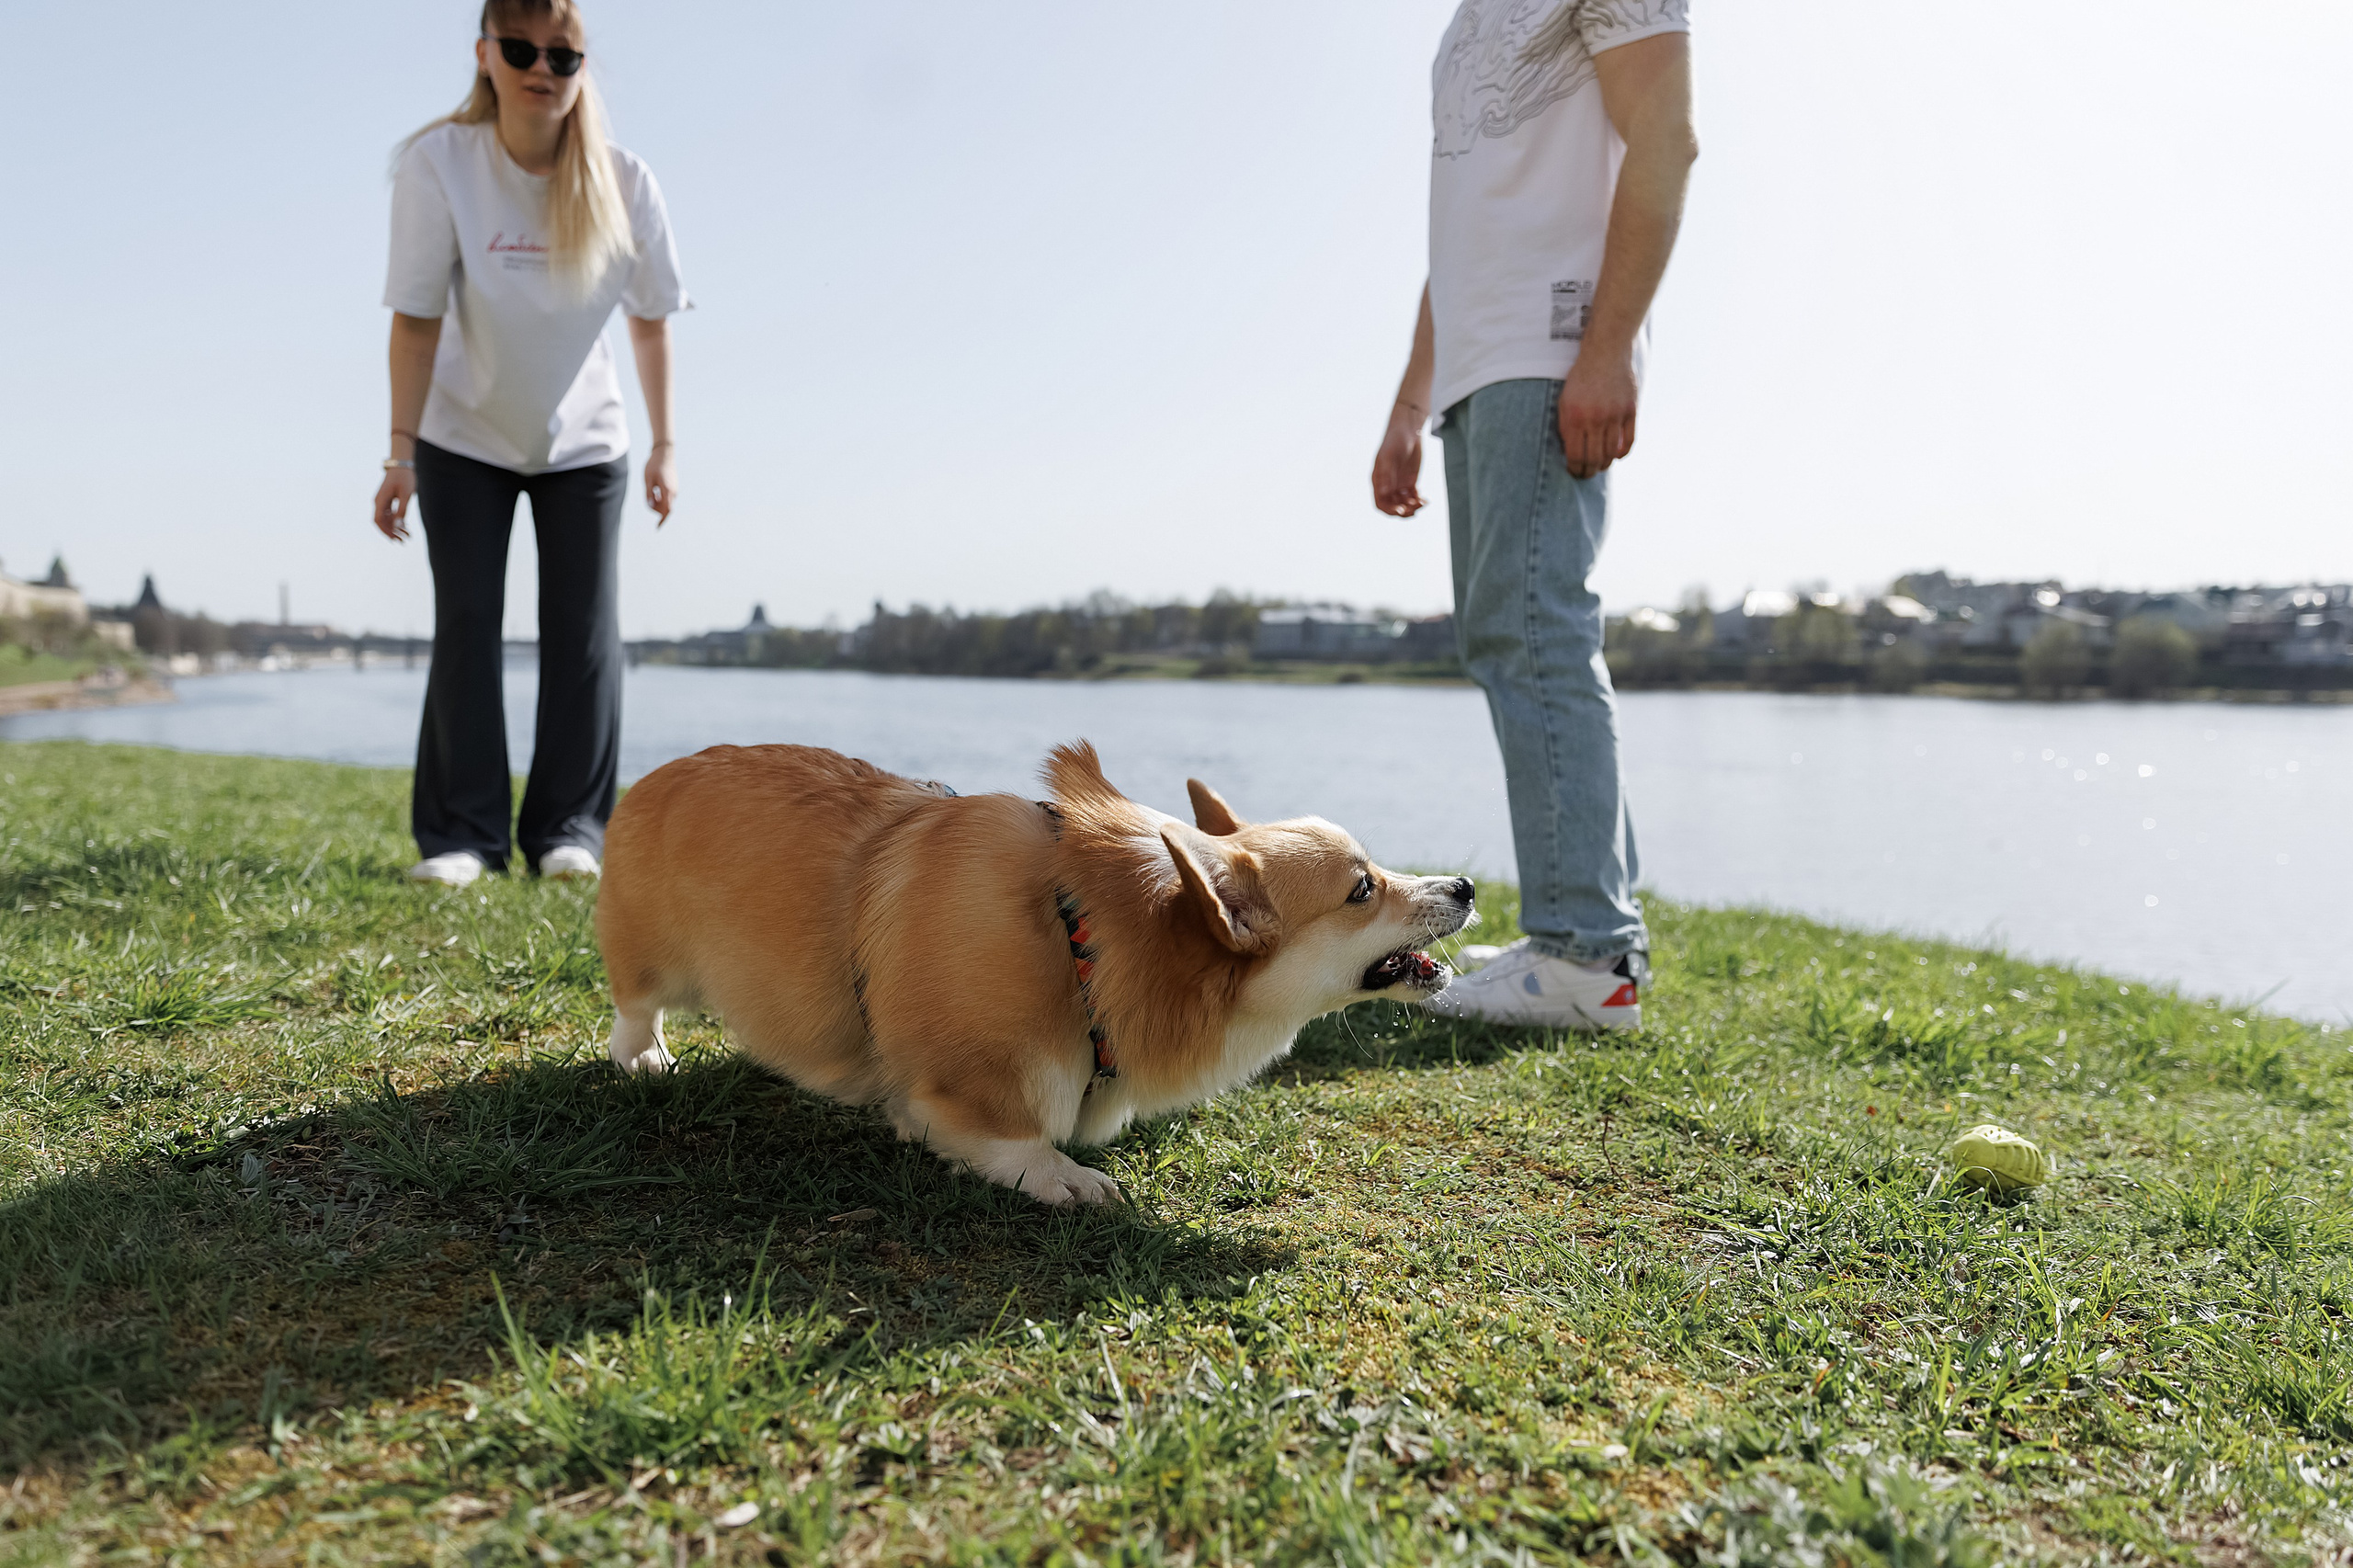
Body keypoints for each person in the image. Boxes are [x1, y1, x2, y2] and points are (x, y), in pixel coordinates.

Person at [1372, 2, 1696, 1029]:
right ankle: (1588, 936)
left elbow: (1666, 137)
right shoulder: (1472, 20)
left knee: (1535, 630)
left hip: (1549, 345)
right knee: (1507, 635)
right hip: (1482, 363)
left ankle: (1585, 954)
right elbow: (1464, 237)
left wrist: (1607, 347)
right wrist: (1411, 405)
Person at [372, 0, 688, 887]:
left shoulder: (626, 181)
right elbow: (414, 320)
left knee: (582, 634)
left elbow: (652, 323)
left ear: (582, 67)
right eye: (520, 50)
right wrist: (399, 452)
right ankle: (463, 838)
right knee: (467, 624)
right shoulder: (439, 163)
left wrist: (665, 444)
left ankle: (569, 831)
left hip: (585, 443)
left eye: (562, 55)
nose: (541, 69)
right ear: (485, 55)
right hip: (461, 432)